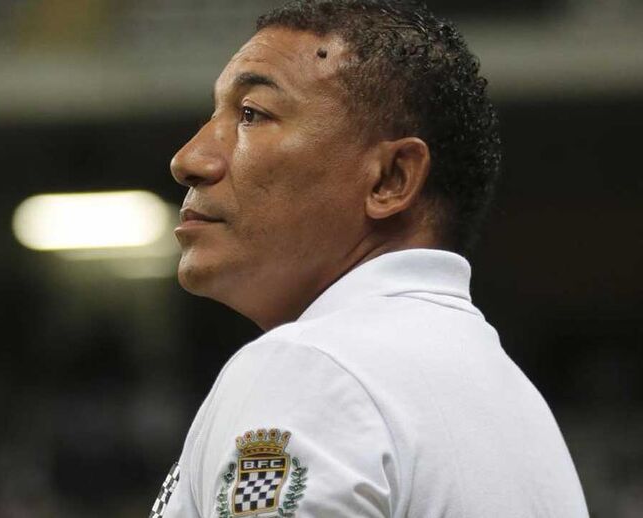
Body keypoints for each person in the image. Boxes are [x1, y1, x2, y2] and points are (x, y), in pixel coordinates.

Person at [148, 1, 588, 517]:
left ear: (390, 179)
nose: (189, 159)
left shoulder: (313, 367)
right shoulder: (514, 404)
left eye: (252, 114)